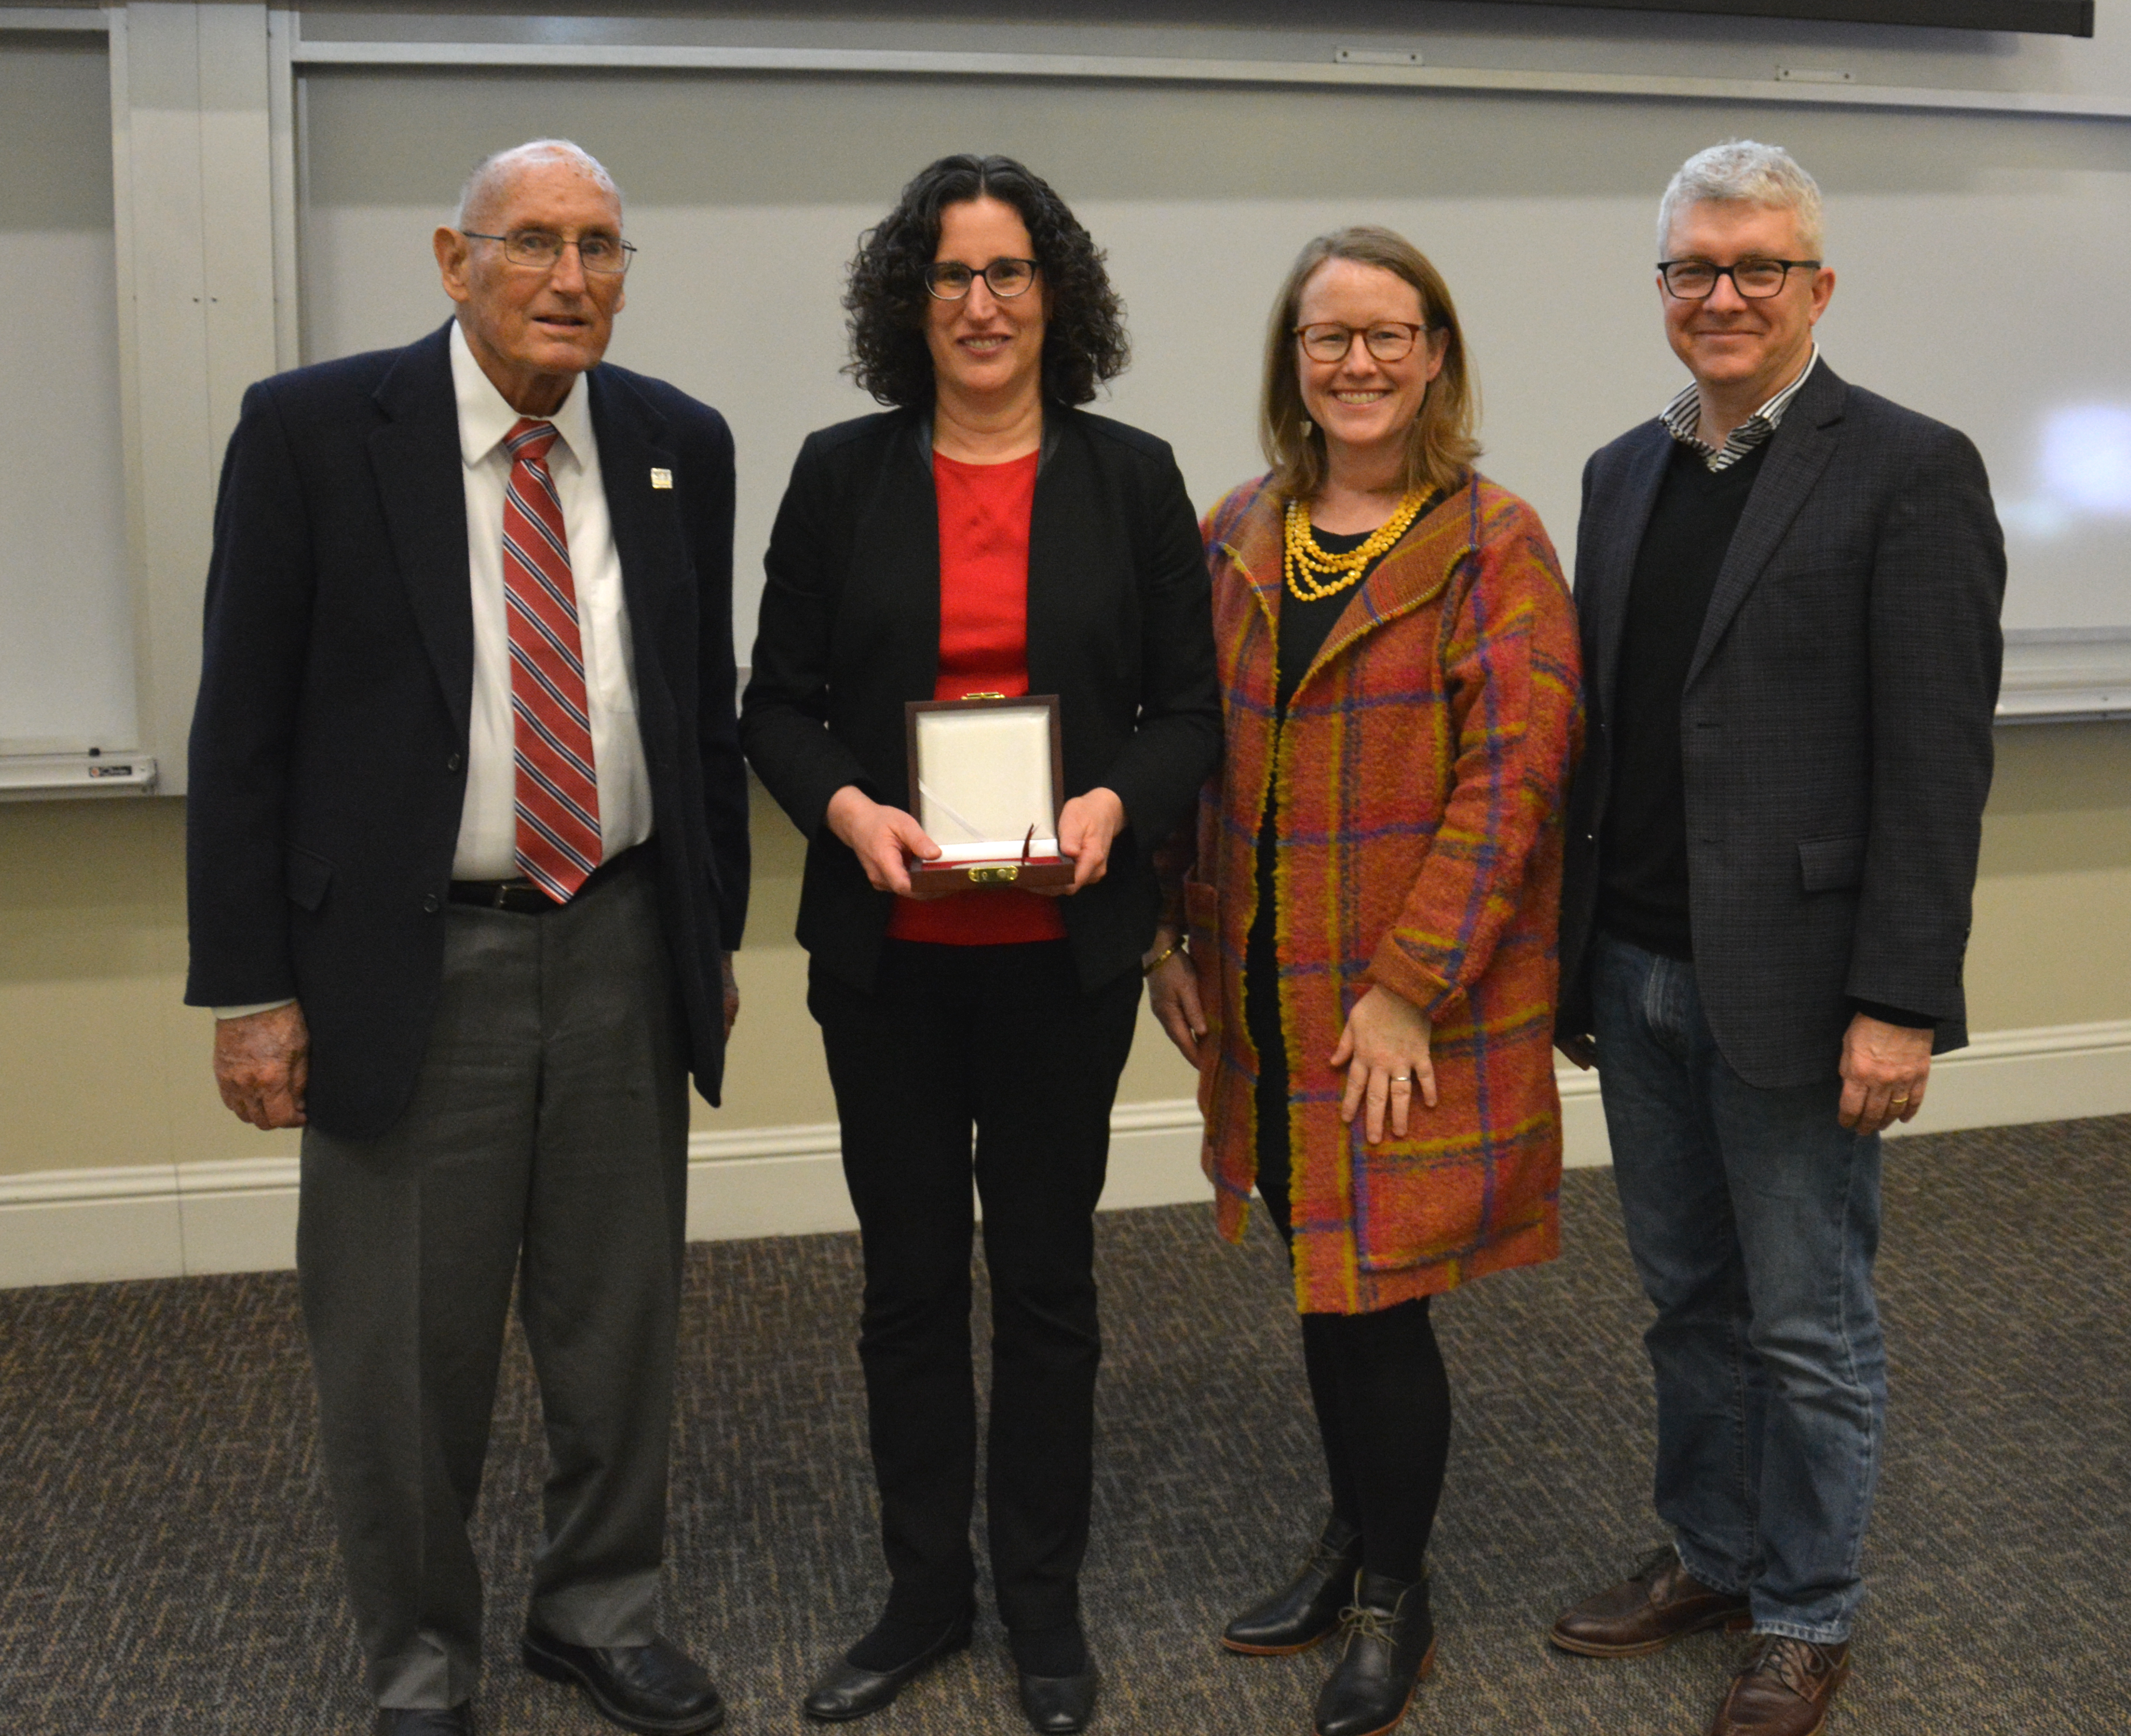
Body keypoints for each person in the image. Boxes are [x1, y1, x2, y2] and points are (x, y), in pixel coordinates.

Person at [185, 140, 748, 1736]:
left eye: (601, 248)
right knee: (400, 1349)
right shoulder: (313, 433)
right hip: (408, 962)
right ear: (453, 260)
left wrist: (709, 931)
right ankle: (421, 1657)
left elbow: (696, 718)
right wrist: (250, 992)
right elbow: (241, 731)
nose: (571, 280)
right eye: (533, 246)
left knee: (617, 1317)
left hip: (625, 933)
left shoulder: (671, 441)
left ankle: (597, 1610)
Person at [741, 153, 1218, 1734]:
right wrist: (848, 817)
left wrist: (1110, 807)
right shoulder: (838, 473)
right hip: (887, 956)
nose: (981, 302)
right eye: (949, 275)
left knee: (1048, 1279)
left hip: (1057, 952)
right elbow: (778, 706)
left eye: (1008, 271)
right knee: (905, 1283)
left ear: (1054, 294)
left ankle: (1040, 1602)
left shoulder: (1131, 474)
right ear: (908, 303)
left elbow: (1185, 715)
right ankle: (920, 1592)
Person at [1548, 141, 2004, 1736]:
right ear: (1660, 287)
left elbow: (1935, 764)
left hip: (1806, 993)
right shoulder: (1619, 474)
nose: (1720, 296)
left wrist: (1896, 1003)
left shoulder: (1906, 466)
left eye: (1755, 268)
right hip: (1635, 967)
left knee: (1807, 1321)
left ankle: (1806, 1613)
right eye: (1692, 269)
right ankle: (1715, 1555)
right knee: (1686, 1301)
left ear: (1817, 285)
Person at [1146, 226, 1582, 1736]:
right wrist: (1164, 939)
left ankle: (1396, 1587)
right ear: (1293, 364)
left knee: (1376, 1293)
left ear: (1436, 355)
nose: (1358, 361)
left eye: (1388, 334)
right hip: (1265, 996)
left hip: (1400, 1003)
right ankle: (1351, 1535)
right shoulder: (1235, 532)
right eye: (1327, 337)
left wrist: (1404, 986)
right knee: (1320, 1278)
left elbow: (1512, 791)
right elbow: (1183, 762)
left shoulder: (1490, 541)